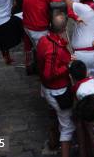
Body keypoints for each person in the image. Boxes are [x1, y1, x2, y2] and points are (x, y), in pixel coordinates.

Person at [36, 13, 75, 157]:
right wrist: (68, 65)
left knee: (54, 115)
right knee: (67, 127)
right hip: (57, 91)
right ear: (64, 29)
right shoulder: (54, 49)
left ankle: (53, 141)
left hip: (48, 89)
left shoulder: (43, 40)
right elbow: (49, 73)